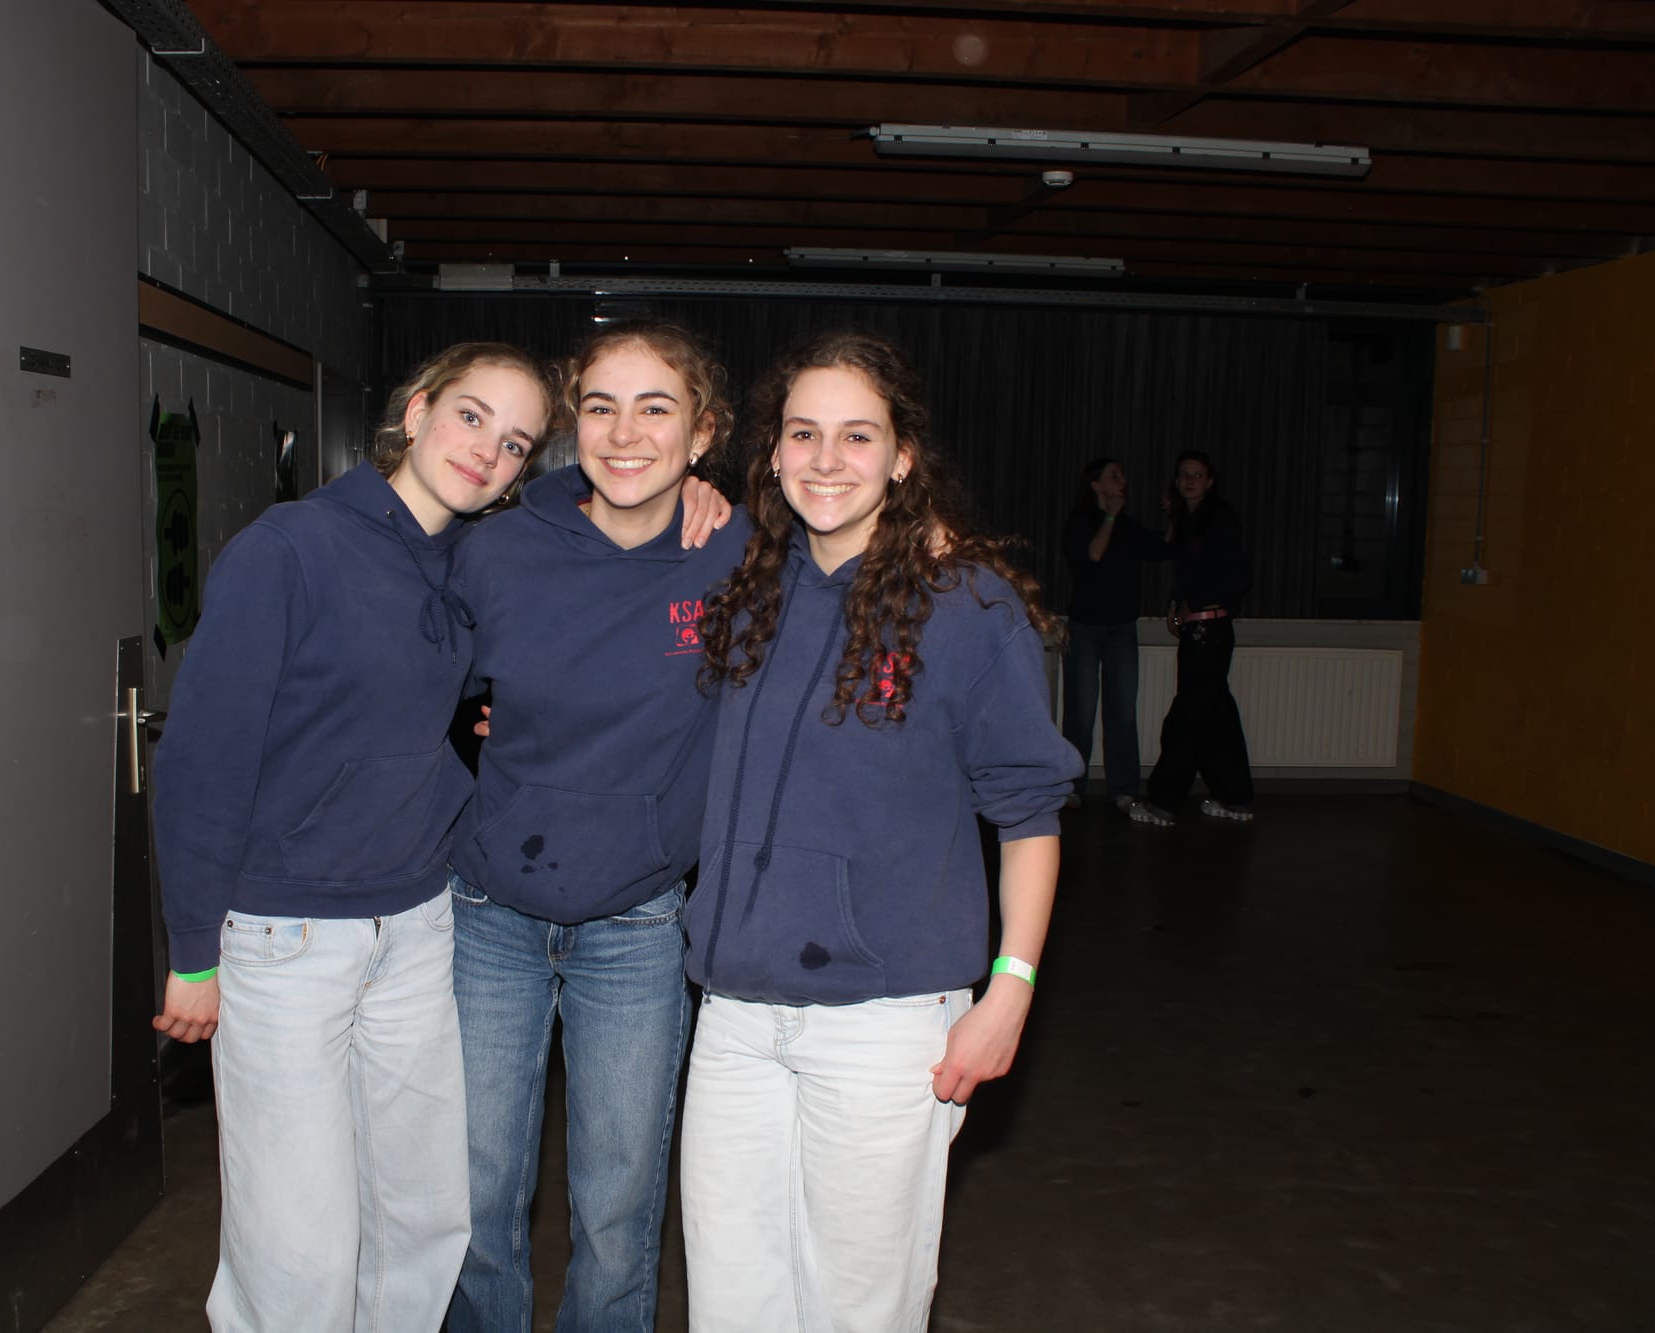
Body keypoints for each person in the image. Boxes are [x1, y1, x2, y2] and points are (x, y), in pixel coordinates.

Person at [684, 331, 1082, 1332]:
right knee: (730, 1304)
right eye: (803, 433)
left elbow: (1027, 814)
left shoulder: (966, 603)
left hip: (883, 1024)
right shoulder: (748, 585)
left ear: (903, 456)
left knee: (858, 1311)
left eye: (857, 435)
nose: (826, 458)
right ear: (771, 450)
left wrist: (1011, 990)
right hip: (733, 1019)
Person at [148, 343, 551, 1332]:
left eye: (515, 443)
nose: (486, 450)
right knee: (297, 1243)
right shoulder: (289, 548)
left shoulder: (469, 561)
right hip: (286, 939)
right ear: (416, 412)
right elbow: (203, 758)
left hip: (416, 927)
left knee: (422, 1221)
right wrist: (192, 952)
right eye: (471, 416)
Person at [446, 321, 751, 1332]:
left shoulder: (737, 554)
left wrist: (939, 543)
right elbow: (415, 682)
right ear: (571, 425)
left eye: (655, 409)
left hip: (640, 920)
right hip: (488, 913)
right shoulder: (495, 550)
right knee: (477, 1196)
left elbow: (865, 558)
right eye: (601, 407)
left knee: (618, 1211)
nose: (625, 434)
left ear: (702, 432)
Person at [1129, 449, 1255, 827]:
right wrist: (1176, 601)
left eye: (1197, 475)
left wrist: (1194, 603)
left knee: (1186, 719)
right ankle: (1236, 799)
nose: (1189, 481)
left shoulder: (1219, 518)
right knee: (1216, 717)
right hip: (1204, 631)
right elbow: (1187, 567)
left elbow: (1232, 573)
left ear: (1210, 481)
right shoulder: (1193, 520)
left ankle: (1163, 803)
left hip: (1208, 631)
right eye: (1183, 474)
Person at [1059, 456, 1170, 812]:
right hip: (1085, 628)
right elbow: (1093, 554)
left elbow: (1164, 547)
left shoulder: (1128, 526)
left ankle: (1123, 788)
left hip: (1121, 627)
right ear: (1095, 484)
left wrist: (1176, 514)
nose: (1121, 479)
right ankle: (1072, 786)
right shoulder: (1081, 522)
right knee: (1080, 712)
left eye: (1122, 474)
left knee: (1122, 711)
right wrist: (1109, 516)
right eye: (1113, 475)